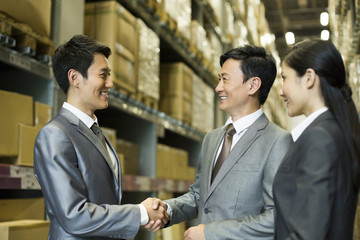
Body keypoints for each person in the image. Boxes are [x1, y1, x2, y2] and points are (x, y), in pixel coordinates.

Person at [146, 45, 292, 239]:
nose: (218, 88)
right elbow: (200, 196)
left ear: (253, 85)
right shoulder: (212, 139)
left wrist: (211, 232)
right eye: (219, 79)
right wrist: (167, 210)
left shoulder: (278, 142)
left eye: (225, 79)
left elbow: (277, 217)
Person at [33, 34, 169, 239]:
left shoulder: (95, 132)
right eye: (103, 75)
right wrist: (140, 213)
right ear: (74, 78)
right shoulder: (55, 135)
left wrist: (142, 216)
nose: (110, 83)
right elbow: (74, 216)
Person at [273, 39, 360, 240]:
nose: (281, 90)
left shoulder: (320, 138)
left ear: (309, 78)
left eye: (285, 78)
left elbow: (308, 234)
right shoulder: (331, 131)